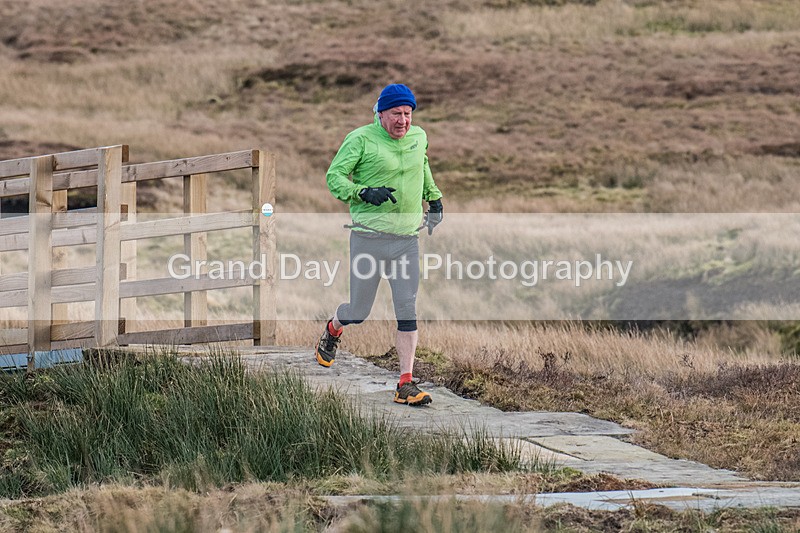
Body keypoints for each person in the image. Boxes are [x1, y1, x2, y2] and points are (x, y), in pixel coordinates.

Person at [315, 83, 443, 406]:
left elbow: (422, 167)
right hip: (367, 240)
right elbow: (334, 177)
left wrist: (435, 198)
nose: (403, 121)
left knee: (407, 310)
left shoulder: (419, 137)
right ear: (381, 113)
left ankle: (405, 383)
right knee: (359, 311)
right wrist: (363, 193)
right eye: (397, 114)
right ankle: (333, 328)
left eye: (408, 114)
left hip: (405, 241)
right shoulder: (360, 139)